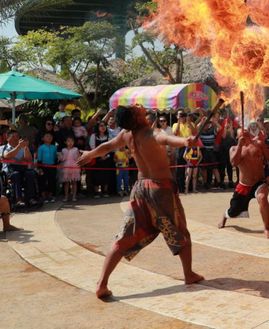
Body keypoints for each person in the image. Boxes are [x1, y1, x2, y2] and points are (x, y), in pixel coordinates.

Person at [76, 104, 202, 298]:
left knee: (124, 235)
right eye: (134, 108)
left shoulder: (126, 135)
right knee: (179, 230)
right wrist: (185, 141)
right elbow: (166, 138)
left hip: (141, 189)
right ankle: (188, 274)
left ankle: (102, 283)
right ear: (138, 118)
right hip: (161, 189)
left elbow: (107, 146)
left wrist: (89, 154)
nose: (137, 105)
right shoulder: (151, 132)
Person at [218, 129, 269, 239]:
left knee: (262, 198)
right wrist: (240, 145)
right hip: (244, 185)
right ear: (237, 138)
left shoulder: (259, 144)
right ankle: (225, 215)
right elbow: (234, 163)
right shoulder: (234, 149)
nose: (246, 138)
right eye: (242, 136)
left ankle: (266, 228)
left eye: (247, 135)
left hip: (260, 181)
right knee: (234, 211)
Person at [0, 130, 37, 207]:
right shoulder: (3, 147)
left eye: (17, 136)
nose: (16, 138)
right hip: (10, 170)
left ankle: (31, 198)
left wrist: (25, 148)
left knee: (30, 174)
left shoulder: (23, 147)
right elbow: (7, 156)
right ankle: (18, 199)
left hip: (22, 169)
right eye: (13, 137)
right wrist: (19, 147)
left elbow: (28, 159)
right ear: (7, 138)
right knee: (16, 175)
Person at [172, 109, 195, 192]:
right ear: (177, 116)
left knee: (190, 167)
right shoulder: (175, 124)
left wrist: (188, 122)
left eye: (183, 115)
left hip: (190, 147)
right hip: (180, 146)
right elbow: (175, 133)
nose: (181, 116)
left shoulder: (190, 123)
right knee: (180, 168)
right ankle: (181, 187)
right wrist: (179, 121)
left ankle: (190, 186)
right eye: (180, 115)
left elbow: (194, 132)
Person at [90, 122, 113, 198]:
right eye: (101, 126)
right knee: (97, 174)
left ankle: (105, 191)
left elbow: (111, 147)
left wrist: (105, 155)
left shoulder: (109, 136)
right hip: (97, 158)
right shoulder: (94, 136)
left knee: (106, 174)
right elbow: (93, 147)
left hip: (107, 158)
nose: (103, 127)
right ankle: (96, 192)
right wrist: (100, 155)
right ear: (97, 127)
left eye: (104, 126)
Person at [58, 137, 81, 202]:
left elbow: (76, 157)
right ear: (65, 142)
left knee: (74, 182)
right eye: (68, 141)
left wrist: (78, 156)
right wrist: (60, 156)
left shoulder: (76, 149)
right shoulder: (63, 150)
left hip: (74, 166)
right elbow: (63, 159)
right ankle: (66, 196)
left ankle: (74, 196)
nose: (70, 143)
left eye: (72, 141)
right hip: (66, 166)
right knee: (66, 183)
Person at [37, 132, 58, 203]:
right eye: (47, 136)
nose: (49, 137)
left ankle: (50, 196)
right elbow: (39, 159)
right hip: (43, 167)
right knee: (42, 181)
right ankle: (43, 197)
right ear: (43, 138)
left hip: (52, 166)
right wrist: (40, 168)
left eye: (50, 136)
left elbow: (55, 158)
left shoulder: (54, 147)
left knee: (51, 181)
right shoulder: (41, 148)